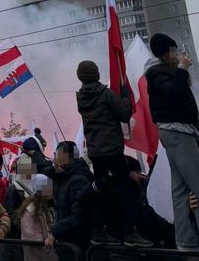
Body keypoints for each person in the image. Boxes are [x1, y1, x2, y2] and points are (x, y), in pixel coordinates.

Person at [76, 60, 152, 247]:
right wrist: (125, 94)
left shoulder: (81, 98)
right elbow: (125, 113)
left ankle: (99, 230)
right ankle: (129, 233)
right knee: (126, 188)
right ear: (97, 74)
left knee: (100, 189)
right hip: (112, 150)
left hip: (95, 152)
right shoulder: (106, 94)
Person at [145, 33, 199, 252]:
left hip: (179, 131)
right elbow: (172, 94)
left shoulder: (164, 72)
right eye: (174, 52)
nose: (177, 56)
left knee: (180, 190)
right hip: (178, 132)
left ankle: (186, 241)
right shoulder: (157, 73)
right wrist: (182, 71)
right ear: (164, 53)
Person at [123, 156, 176, 248]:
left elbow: (159, 211)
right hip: (152, 238)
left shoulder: (151, 187)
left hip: (161, 236)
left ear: (137, 172)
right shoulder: (134, 190)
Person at [49, 141, 93, 250]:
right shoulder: (66, 179)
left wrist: (56, 231)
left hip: (77, 245)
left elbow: (79, 216)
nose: (54, 161)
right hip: (69, 244)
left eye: (57, 156)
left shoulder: (78, 181)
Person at [19, 174, 58, 261]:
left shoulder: (42, 206)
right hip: (36, 255)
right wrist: (47, 240)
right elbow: (30, 236)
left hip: (44, 253)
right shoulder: (29, 210)